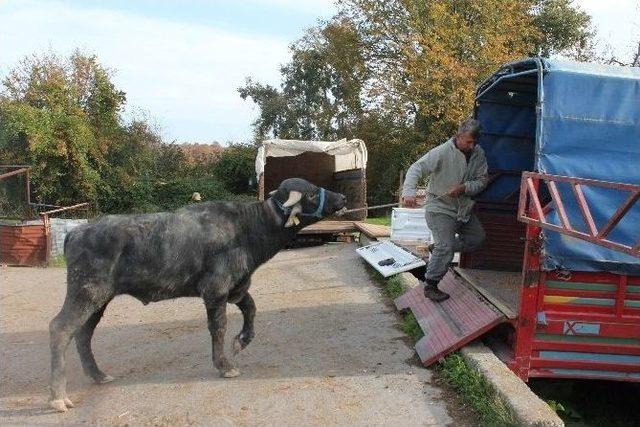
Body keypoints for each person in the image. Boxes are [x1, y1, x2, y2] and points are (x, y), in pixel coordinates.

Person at [401, 118, 488, 302]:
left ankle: (439, 248)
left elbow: (482, 181)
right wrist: (409, 192)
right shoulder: (442, 152)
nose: (471, 146)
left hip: (463, 210)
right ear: (458, 136)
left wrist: (464, 188)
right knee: (446, 247)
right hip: (439, 209)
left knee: (477, 239)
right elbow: (416, 168)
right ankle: (430, 285)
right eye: (468, 142)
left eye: (474, 142)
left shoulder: (479, 153)